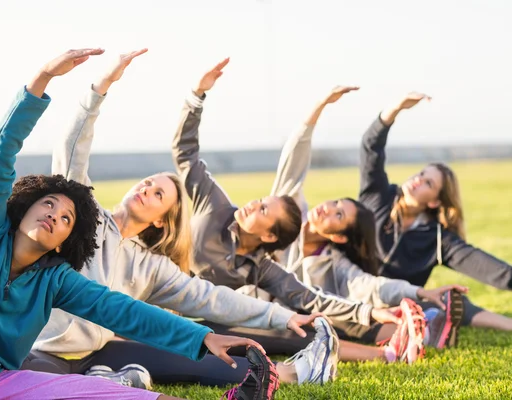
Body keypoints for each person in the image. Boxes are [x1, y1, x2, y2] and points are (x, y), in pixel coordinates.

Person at [0, 48, 267, 400]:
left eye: (66, 218)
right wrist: (42, 79)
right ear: (24, 209)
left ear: (66, 242)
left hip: (0, 383)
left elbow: (125, 312)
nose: (54, 214)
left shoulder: (56, 280)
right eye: (48, 203)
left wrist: (202, 337)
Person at [21, 49, 338, 388]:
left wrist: (285, 316)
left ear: (161, 220)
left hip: (94, 351)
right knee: (30, 372)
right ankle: (105, 383)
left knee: (178, 342)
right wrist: (99, 89)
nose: (147, 188)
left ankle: (297, 373)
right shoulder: (84, 216)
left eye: (159, 194)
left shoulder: (150, 267)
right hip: (42, 349)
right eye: (147, 182)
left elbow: (212, 299)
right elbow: (72, 151)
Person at [171, 58, 426, 366]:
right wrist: (196, 95)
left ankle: (391, 349)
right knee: (285, 319)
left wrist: (368, 310)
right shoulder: (215, 206)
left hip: (206, 322)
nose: (253, 203)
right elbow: (186, 152)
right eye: (263, 200)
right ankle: (390, 343)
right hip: (156, 298)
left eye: (263, 208)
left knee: (292, 322)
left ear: (268, 234)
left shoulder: (264, 267)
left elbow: (311, 298)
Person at [270, 85, 468, 349]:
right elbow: (293, 162)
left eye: (338, 214)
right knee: (325, 319)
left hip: (288, 320)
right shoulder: (289, 218)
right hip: (246, 303)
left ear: (339, 236)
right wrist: (320, 105)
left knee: (332, 316)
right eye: (335, 203)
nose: (327, 208)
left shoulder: (332, 261)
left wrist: (420, 292)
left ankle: (422, 331)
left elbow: (372, 286)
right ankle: (413, 332)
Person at [358, 91, 512, 332]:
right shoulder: (378, 197)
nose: (418, 180)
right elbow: (370, 148)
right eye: (421, 174)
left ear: (434, 202)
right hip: (347, 292)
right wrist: (394, 109)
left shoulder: (438, 239)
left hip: (394, 307)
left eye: (428, 183)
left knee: (452, 300)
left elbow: (492, 269)